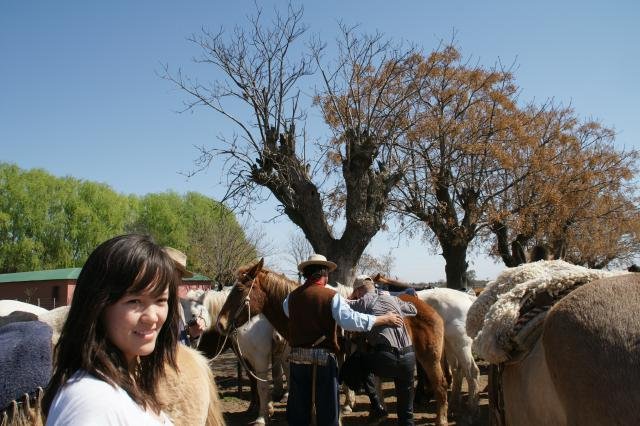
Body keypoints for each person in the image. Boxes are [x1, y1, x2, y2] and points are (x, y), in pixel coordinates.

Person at [43, 234, 180, 425]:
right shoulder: (91, 402)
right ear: (97, 306)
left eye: (160, 301)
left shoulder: (126, 380)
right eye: (134, 301)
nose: (152, 317)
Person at [282, 254, 404, 426]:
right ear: (325, 274)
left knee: (298, 410)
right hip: (323, 361)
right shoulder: (331, 296)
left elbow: (289, 314)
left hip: (296, 361)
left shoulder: (290, 298)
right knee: (328, 411)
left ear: (307, 274)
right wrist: (381, 319)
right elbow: (350, 321)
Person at [349, 274, 417, 426]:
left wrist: (351, 297)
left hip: (387, 358)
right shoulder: (393, 299)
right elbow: (413, 309)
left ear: (359, 290)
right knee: (406, 407)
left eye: (356, 292)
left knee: (357, 361)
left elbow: (343, 305)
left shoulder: (362, 301)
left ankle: (376, 405)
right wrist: (396, 306)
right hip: (409, 357)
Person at [163, 247, 208, 348]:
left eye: (180, 277)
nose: (179, 281)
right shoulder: (151, 307)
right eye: (176, 275)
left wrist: (193, 334)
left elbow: (183, 345)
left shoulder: (177, 304)